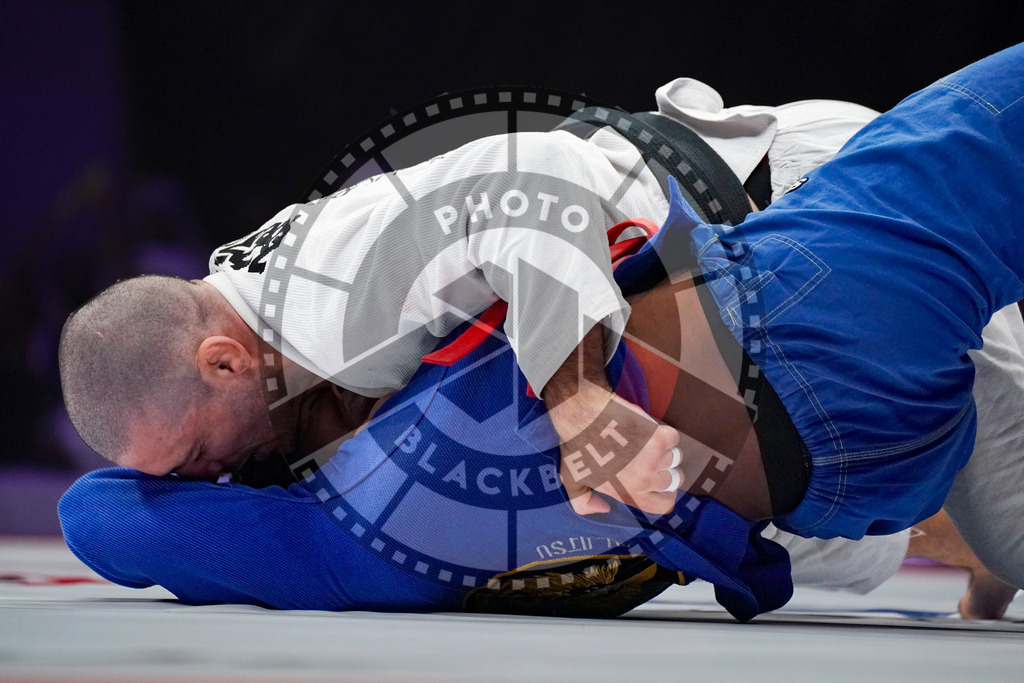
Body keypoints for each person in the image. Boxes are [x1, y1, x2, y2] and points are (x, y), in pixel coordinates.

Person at [58, 45, 1024, 616]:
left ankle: (975, 537)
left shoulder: (329, 296)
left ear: (224, 358)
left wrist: (581, 408)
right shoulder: (300, 389)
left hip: (783, 207)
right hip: (809, 371)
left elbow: (539, 184)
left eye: (191, 457)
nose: (206, 479)